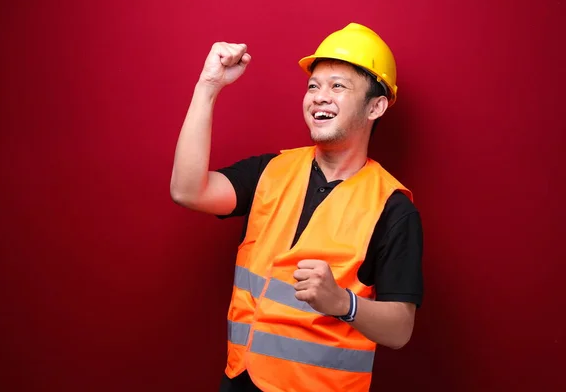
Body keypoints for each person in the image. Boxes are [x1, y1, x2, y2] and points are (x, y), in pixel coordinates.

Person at [170, 23, 424, 392]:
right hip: (239, 381)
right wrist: (208, 87)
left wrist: (343, 302)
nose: (319, 96)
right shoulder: (270, 170)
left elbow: (400, 329)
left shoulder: (393, 208)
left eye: (338, 86)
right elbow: (187, 190)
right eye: (313, 86)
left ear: (376, 106)